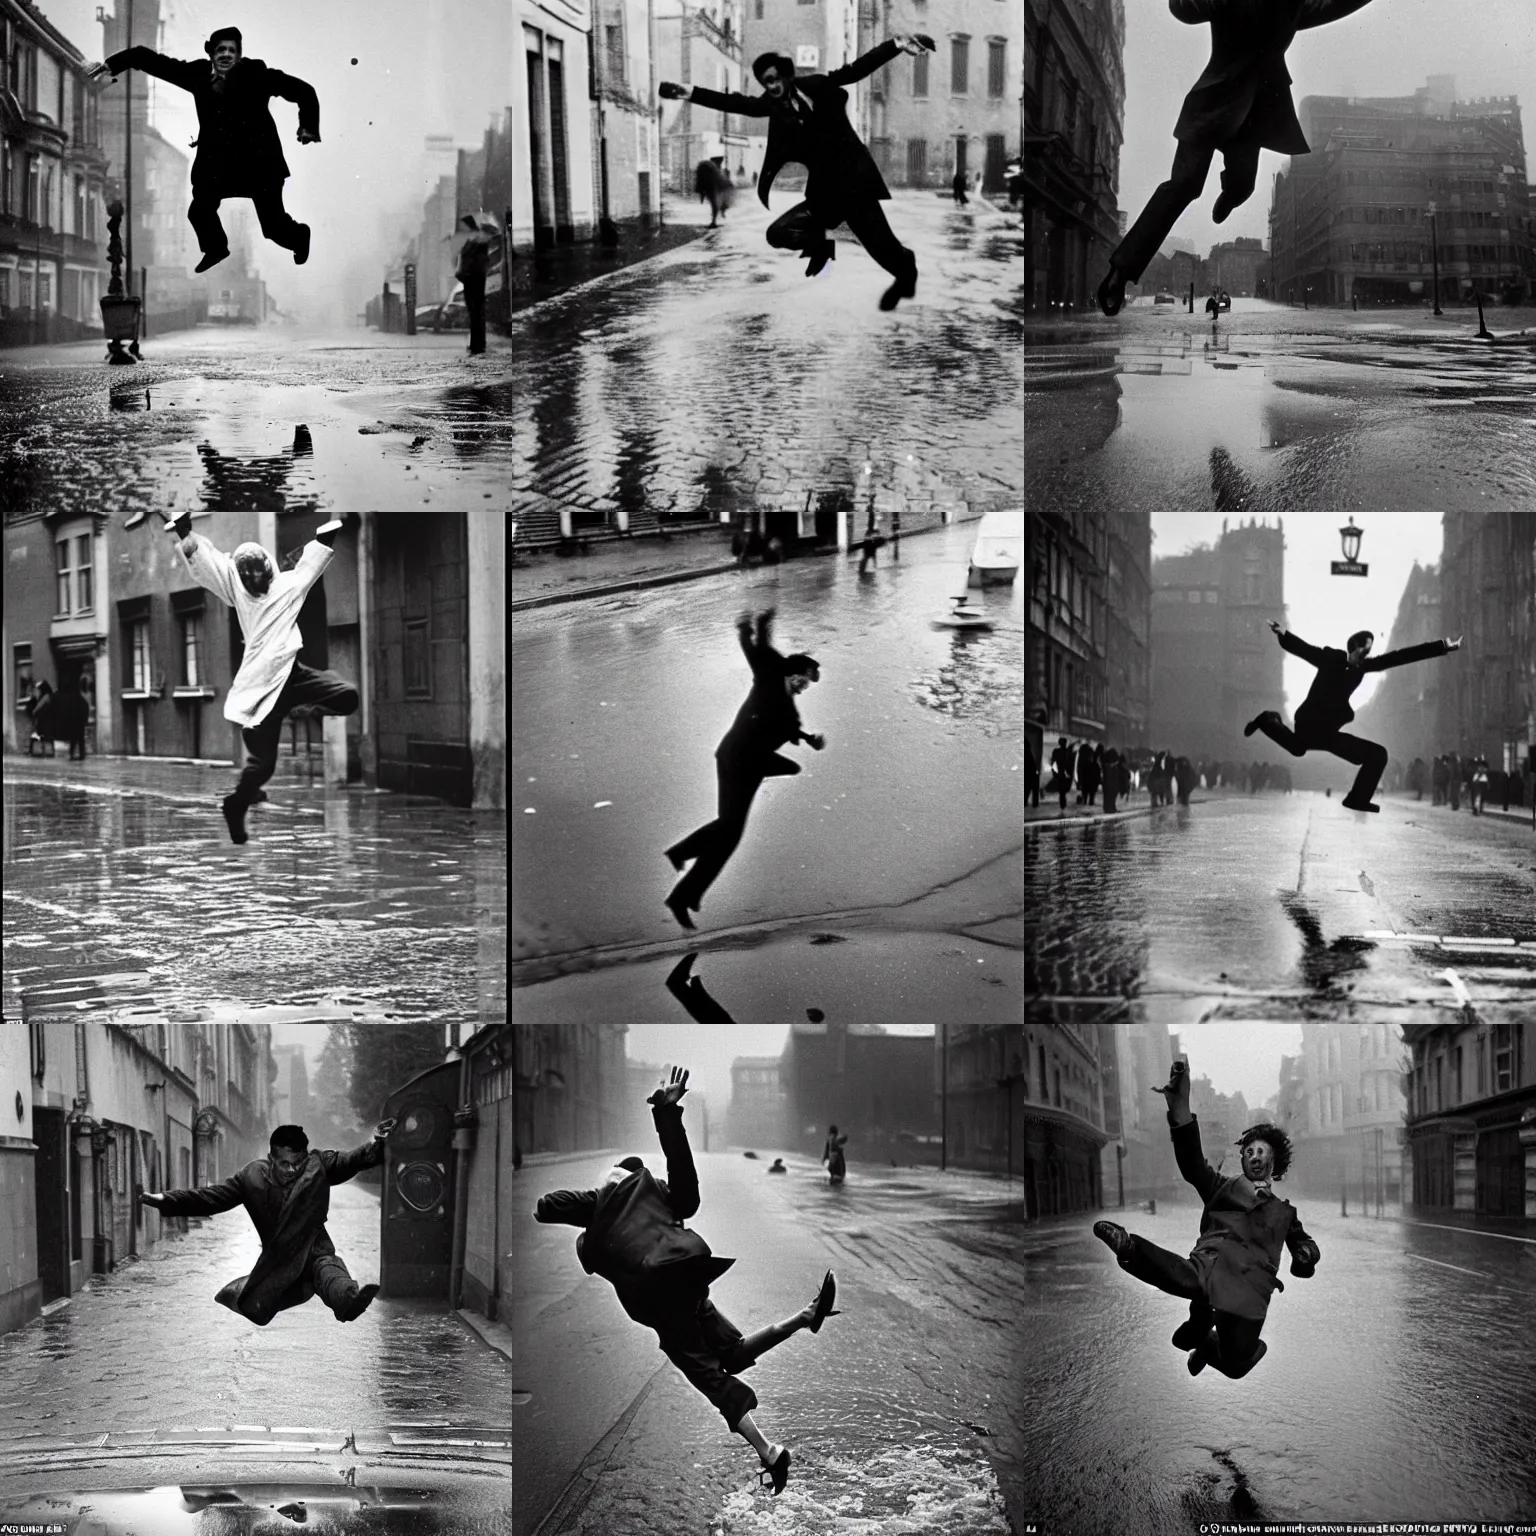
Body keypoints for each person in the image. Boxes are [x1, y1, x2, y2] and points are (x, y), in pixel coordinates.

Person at [534, 1067, 840, 1496]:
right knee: (730, 1355)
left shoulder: (600, 1217)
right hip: (691, 1278)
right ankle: (805, 1317)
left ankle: (770, 1453)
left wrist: (595, 1197)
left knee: (711, 1379)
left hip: (663, 1304)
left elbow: (545, 1207)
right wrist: (667, 1114)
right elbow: (685, 1181)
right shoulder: (656, 1194)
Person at [1097, 0, 1376, 316]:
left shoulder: (1290, 5)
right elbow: (1182, 9)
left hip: (1251, 118)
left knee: (1243, 187)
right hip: (1210, 106)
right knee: (1182, 186)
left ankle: (1230, 193)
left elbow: (1334, 6)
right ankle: (1119, 273)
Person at [658, 34, 935, 311]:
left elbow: (857, 70)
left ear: (788, 75)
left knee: (883, 250)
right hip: (824, 194)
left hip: (855, 186)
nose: (774, 86)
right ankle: (823, 247)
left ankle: (905, 274)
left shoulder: (817, 85)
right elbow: (734, 103)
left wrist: (896, 46)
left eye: (777, 78)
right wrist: (689, 92)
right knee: (777, 233)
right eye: (768, 82)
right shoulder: (770, 107)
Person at [1093, 1060, 1319, 1379]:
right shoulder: (1221, 1188)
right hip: (1210, 1267)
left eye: (1262, 1153)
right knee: (1187, 1280)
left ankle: (1205, 1341)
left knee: (1237, 1363)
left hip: (1248, 1291)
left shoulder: (1283, 1213)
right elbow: (1192, 1163)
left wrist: (1305, 1256)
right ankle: (1129, 1247)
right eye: (1250, 1151)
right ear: (1242, 1157)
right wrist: (1180, 1107)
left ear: (1274, 1163)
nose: (1254, 1157)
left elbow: (1304, 1243)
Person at [168, 513, 356, 844]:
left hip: (291, 677)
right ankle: (236, 804)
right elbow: (306, 568)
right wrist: (326, 537)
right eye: (251, 580)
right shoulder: (255, 587)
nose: (256, 585)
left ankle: (300, 711)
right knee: (263, 766)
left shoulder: (267, 586)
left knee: (347, 696)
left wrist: (186, 532)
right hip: (265, 688)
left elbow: (210, 564)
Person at [88, 27, 318, 274]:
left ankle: (299, 237)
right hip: (221, 164)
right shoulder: (197, 75)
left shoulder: (257, 75)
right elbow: (150, 60)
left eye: (232, 50)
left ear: (240, 56)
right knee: (199, 210)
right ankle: (216, 248)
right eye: (221, 50)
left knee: (273, 227)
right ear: (211, 53)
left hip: (259, 163)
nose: (226, 55)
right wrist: (110, 65)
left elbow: (303, 91)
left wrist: (308, 126)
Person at [138, 1119, 396, 1325]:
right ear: (271, 1159)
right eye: (284, 1164)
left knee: (329, 1270)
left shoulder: (318, 1165)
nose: (292, 1170)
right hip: (278, 1263)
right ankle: (345, 1300)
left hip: (314, 1250)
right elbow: (210, 1198)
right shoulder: (251, 1178)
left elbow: (351, 1160)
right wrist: (165, 1199)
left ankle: (349, 1302)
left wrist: (375, 1144)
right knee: (258, 1301)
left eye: (297, 1163)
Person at [664, 610, 824, 927]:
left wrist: (810, 739)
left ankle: (683, 895)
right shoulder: (768, 677)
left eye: (807, 683)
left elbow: (789, 729)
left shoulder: (791, 714)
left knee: (730, 833)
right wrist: (751, 628)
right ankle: (681, 857)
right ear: (792, 673)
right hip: (736, 759)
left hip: (748, 765)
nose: (804, 686)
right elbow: (756, 651)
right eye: (803, 679)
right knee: (728, 829)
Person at [1244, 621, 1460, 813]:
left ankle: (1356, 799)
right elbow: (1306, 650)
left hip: (1328, 731)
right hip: (1309, 723)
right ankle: (1267, 720)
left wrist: (1443, 646)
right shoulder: (1331, 658)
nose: (1366, 656)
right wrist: (1284, 634)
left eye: (1368, 652)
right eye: (1364, 651)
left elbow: (1399, 657)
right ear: (1354, 648)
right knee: (1297, 748)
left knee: (1377, 754)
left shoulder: (1362, 667)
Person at [456, 215, 497, 356]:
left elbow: (476, 266)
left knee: (476, 312)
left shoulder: (479, 246)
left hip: (475, 280)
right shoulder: (472, 243)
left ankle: (478, 346)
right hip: (470, 280)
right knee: (474, 313)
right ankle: (476, 344)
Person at [697, 158, 725, 226]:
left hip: (709, 187)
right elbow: (719, 180)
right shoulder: (713, 168)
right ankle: (714, 220)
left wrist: (701, 194)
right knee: (714, 203)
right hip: (711, 187)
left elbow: (699, 180)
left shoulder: (706, 166)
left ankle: (714, 220)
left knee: (714, 203)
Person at [1050, 737, 1075, 811]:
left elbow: (1053, 762)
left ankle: (1062, 804)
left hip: (1061, 773)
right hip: (1065, 773)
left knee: (1062, 790)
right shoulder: (1068, 752)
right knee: (1064, 790)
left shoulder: (1057, 751)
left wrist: (1054, 772)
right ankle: (1063, 804)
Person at [1102, 747, 1122, 814]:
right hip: (1112, 785)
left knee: (1108, 796)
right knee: (1111, 796)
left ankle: (1109, 808)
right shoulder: (1113, 768)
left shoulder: (1107, 767)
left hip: (1108, 785)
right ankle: (1111, 808)